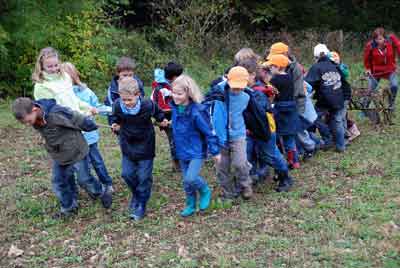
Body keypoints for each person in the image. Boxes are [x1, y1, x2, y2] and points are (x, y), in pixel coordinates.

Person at [12, 97, 112, 218]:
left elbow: (76, 118)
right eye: (25, 123)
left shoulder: (57, 113)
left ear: (34, 109)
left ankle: (100, 192)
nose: (28, 125)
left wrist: (89, 125)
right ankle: (68, 207)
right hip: (59, 155)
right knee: (59, 181)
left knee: (84, 179)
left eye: (28, 121)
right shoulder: (36, 118)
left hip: (76, 151)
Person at [110, 77, 168, 221]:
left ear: (138, 94)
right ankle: (136, 194)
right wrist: (114, 125)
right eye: (123, 99)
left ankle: (142, 202)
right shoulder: (118, 105)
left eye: (129, 100)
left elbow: (159, 113)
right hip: (128, 144)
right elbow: (114, 117)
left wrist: (162, 120)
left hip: (145, 145)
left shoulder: (148, 105)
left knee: (144, 177)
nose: (126, 103)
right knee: (127, 174)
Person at [239, 59, 294, 192]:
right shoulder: (246, 89)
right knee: (254, 154)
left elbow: (263, 111)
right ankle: (253, 177)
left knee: (270, 154)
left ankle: (285, 177)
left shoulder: (259, 91)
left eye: (244, 76)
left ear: (252, 75)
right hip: (252, 129)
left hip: (265, 128)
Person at [170, 74, 221, 217]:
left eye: (179, 94)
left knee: (191, 178)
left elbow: (209, 132)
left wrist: (215, 151)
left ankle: (205, 190)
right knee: (187, 182)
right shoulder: (175, 108)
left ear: (188, 93)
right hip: (181, 150)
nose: (175, 96)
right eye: (174, 92)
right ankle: (191, 205)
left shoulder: (197, 111)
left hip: (196, 151)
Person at [62, 62, 114, 193]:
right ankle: (87, 187)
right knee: (79, 166)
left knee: (96, 161)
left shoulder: (86, 92)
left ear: (74, 76)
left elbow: (97, 106)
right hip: (72, 138)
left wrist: (113, 109)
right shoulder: (61, 96)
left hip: (89, 136)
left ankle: (107, 183)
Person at [206, 66, 254, 200]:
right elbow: (205, 107)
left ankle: (245, 184)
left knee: (240, 162)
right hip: (220, 135)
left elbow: (253, 114)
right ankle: (228, 192)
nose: (237, 89)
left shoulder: (247, 97)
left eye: (240, 87)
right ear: (227, 80)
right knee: (222, 166)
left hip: (238, 134)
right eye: (234, 86)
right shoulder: (217, 93)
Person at [305, 44, 351, 153]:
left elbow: (307, 84)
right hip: (340, 97)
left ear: (316, 57)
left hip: (326, 100)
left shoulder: (316, 67)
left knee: (315, 117)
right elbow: (343, 81)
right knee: (337, 121)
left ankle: (328, 139)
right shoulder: (334, 65)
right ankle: (341, 146)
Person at [32, 47, 96, 115]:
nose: (54, 69)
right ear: (42, 66)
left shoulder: (65, 77)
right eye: (50, 66)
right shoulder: (41, 86)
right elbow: (52, 111)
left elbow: (74, 100)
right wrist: (79, 117)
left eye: (56, 65)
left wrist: (89, 108)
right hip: (61, 123)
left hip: (77, 119)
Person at [266, 54, 301, 169]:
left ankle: (283, 160)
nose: (270, 68)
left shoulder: (274, 80)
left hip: (279, 110)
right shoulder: (289, 77)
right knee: (290, 138)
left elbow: (271, 94)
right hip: (291, 108)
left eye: (272, 66)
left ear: (278, 67)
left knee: (278, 136)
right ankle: (294, 161)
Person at [151, 62, 184, 171]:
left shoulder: (182, 84)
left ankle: (183, 159)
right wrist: (161, 118)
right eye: (175, 77)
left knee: (181, 137)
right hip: (166, 117)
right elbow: (158, 105)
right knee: (173, 139)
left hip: (180, 116)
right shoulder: (160, 89)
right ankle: (177, 163)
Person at [364, 27, 400, 110]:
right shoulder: (370, 46)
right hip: (376, 71)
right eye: (376, 39)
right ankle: (364, 108)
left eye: (380, 39)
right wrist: (368, 69)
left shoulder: (391, 42)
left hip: (390, 69)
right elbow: (367, 58)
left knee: (394, 85)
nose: (378, 41)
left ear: (384, 38)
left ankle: (391, 104)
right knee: (370, 89)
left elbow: (399, 48)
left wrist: (396, 41)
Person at [266, 42, 306, 114]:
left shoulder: (296, 68)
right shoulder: (272, 64)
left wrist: (298, 114)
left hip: (292, 106)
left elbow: (299, 93)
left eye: (274, 56)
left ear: (285, 54)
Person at [105, 56, 145, 124]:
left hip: (137, 117)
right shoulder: (112, 89)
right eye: (125, 75)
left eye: (130, 75)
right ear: (118, 74)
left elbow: (142, 99)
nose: (128, 78)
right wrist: (114, 123)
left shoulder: (137, 84)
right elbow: (111, 109)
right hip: (121, 120)